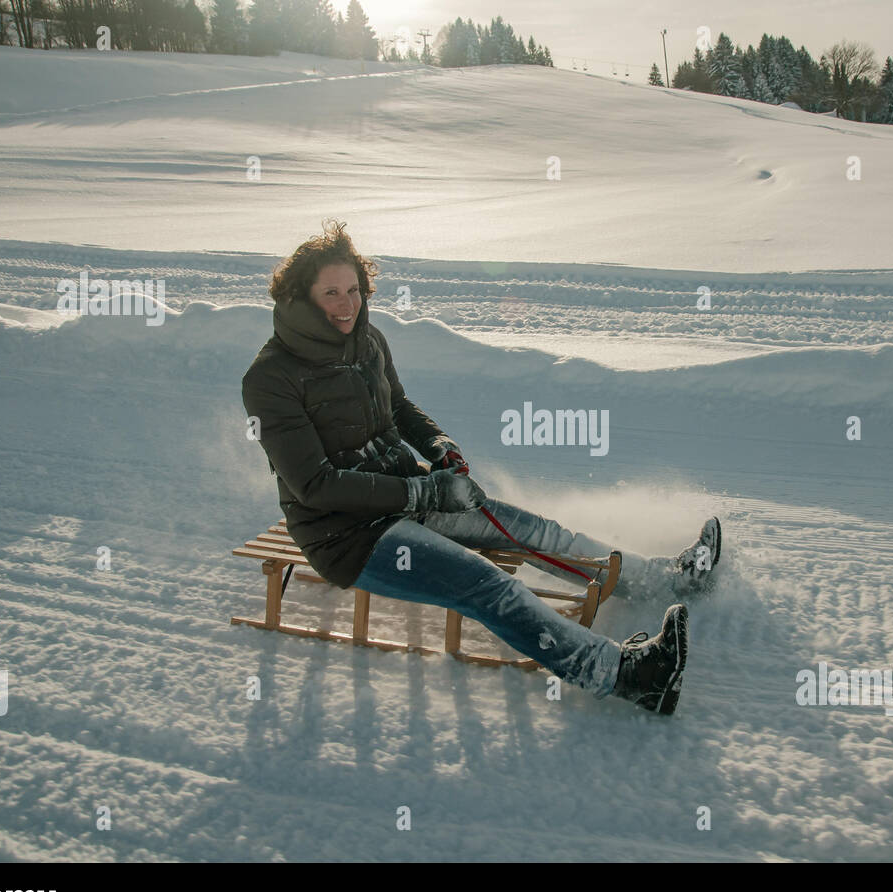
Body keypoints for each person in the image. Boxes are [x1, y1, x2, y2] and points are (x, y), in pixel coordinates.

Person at [241, 220, 722, 714]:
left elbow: (401, 408)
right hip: (347, 536)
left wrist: (439, 445)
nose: (348, 305)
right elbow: (315, 485)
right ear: (301, 297)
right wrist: (427, 495)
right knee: (483, 582)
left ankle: (667, 579)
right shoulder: (270, 377)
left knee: (536, 530)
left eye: (355, 290)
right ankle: (624, 675)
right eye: (331, 293)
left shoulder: (368, 342)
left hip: (411, 492)